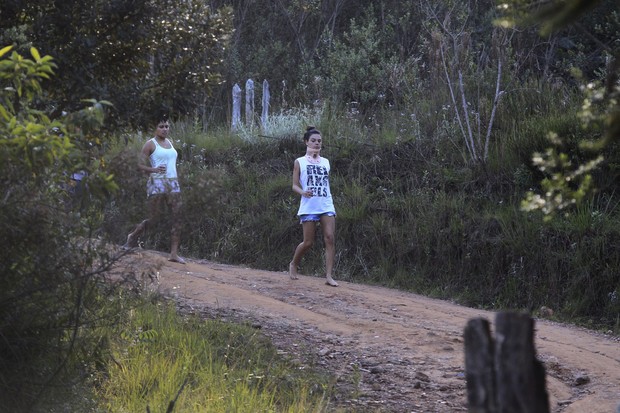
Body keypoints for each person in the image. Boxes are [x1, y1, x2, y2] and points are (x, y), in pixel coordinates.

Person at [122, 115, 185, 264]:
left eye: (166, 126)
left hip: (173, 184)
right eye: (161, 126)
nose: (164, 129)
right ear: (155, 128)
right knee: (154, 219)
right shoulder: (150, 144)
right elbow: (138, 165)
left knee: (177, 217)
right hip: (157, 184)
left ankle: (174, 254)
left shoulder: (170, 142)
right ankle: (132, 236)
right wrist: (154, 169)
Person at [289, 126, 338, 286]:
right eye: (313, 141)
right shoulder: (300, 162)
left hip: (325, 203)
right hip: (309, 205)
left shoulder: (326, 162)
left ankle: (329, 276)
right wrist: (303, 192)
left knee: (329, 238)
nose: (317, 143)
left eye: (319, 141)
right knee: (308, 242)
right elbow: (294, 185)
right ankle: (294, 264)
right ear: (306, 142)